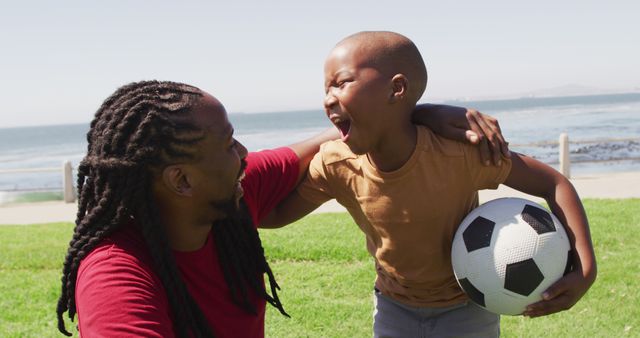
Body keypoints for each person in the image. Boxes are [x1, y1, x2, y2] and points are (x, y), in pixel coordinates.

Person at [55, 80, 509, 337]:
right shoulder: (115, 275)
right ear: (182, 180)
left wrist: (416, 113)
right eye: (228, 144)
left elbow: (324, 143)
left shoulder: (228, 196)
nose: (244, 152)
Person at [264, 31, 597, 337]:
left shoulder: (459, 155)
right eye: (326, 89)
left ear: (397, 88)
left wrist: (585, 268)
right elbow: (274, 213)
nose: (328, 99)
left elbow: (554, 184)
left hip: (468, 309)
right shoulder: (337, 165)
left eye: (342, 83)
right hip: (393, 309)